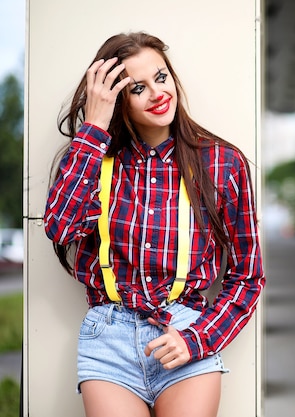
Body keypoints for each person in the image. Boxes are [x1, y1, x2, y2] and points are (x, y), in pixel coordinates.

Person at [44, 32, 265, 417]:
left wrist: (198, 339)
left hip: (182, 330)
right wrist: (95, 125)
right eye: (137, 88)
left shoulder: (222, 163)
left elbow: (249, 277)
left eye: (161, 78)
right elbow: (60, 227)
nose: (157, 94)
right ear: (117, 100)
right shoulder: (91, 160)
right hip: (107, 339)